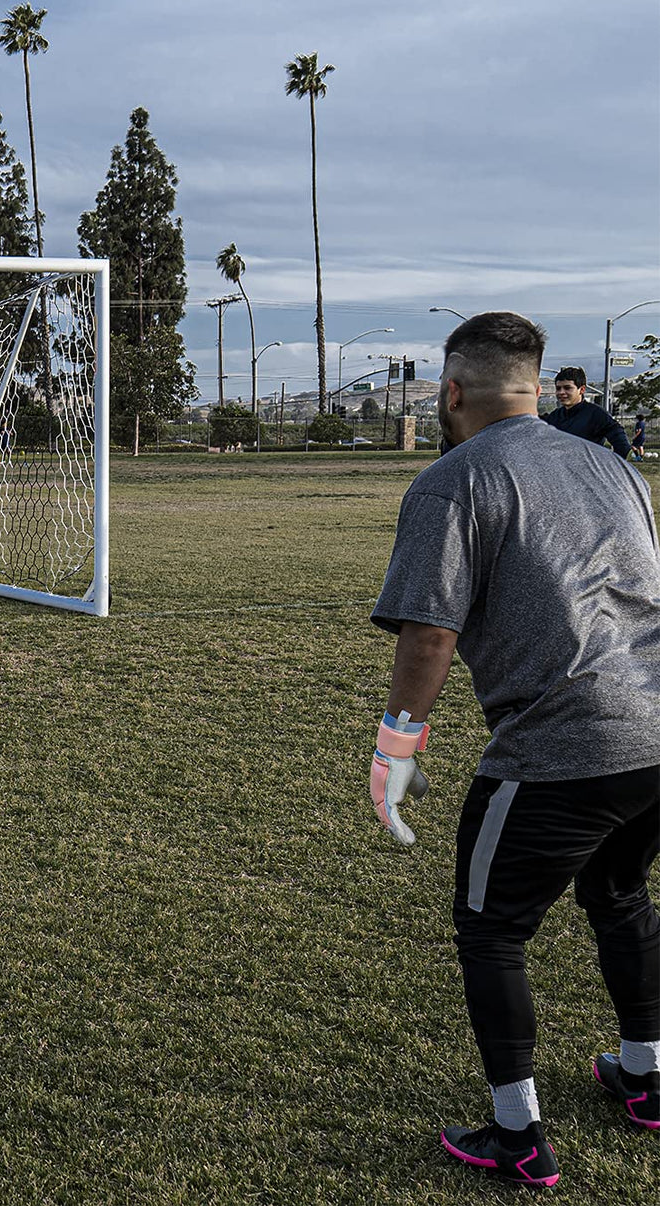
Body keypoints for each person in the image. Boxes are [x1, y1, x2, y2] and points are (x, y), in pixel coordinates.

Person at [368, 312, 660, 1187]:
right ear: (536, 388)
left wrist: (395, 748)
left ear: (451, 392)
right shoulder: (611, 463)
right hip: (657, 729)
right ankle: (645, 1076)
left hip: (565, 742)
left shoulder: (452, 479)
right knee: (619, 893)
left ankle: (516, 1135)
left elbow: (428, 635)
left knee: (491, 929)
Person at [541, 366, 630, 457]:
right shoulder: (555, 416)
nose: (561, 392)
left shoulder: (596, 414)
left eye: (567, 388)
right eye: (558, 388)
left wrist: (608, 467)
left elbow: (623, 446)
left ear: (582, 389)